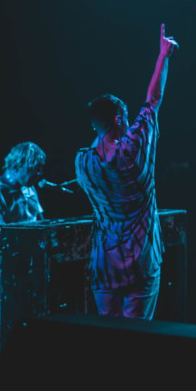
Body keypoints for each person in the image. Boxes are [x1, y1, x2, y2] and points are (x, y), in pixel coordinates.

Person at [75, 23, 178, 320]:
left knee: (109, 338)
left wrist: (101, 126)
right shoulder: (134, 150)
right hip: (141, 258)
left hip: (104, 261)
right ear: (120, 118)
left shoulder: (84, 162)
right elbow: (153, 101)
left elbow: (100, 143)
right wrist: (163, 56)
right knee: (137, 341)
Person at [0, 141, 46, 240]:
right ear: (16, 167)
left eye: (41, 168)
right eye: (35, 168)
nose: (40, 173)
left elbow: (41, 220)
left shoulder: (28, 186)